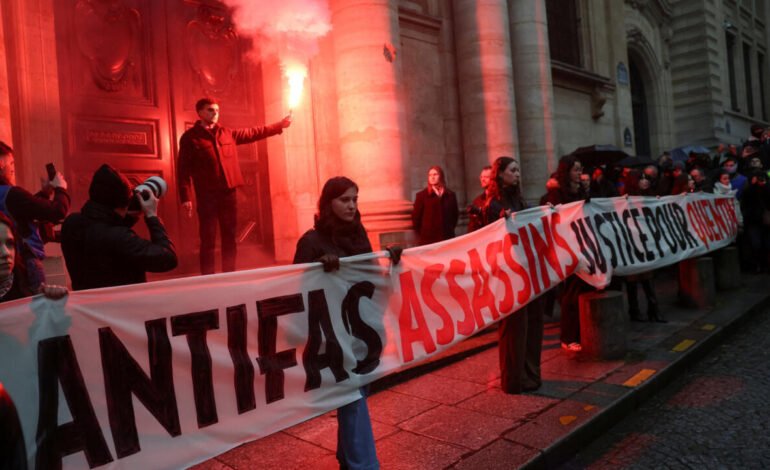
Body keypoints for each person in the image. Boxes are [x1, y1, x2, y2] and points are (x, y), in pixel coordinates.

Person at [293, 177, 379, 470]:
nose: (352, 205)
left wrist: (392, 260)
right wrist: (319, 270)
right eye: (345, 200)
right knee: (352, 397)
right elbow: (294, 289)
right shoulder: (311, 241)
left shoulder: (359, 235)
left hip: (362, 333)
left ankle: (348, 456)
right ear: (328, 202)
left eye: (355, 199)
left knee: (356, 397)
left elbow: (374, 276)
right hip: (331, 337)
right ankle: (363, 465)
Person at [177, 97, 291, 274]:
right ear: (199, 112)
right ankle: (207, 278)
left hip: (228, 194)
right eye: (210, 110)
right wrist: (185, 197)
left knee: (229, 237)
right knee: (207, 239)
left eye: (216, 110)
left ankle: (229, 274)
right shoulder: (189, 138)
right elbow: (183, 170)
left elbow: (253, 133)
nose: (215, 113)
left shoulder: (226, 133)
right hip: (207, 196)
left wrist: (278, 126)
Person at [61, 164, 178, 290]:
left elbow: (103, 233)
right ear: (122, 204)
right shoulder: (119, 238)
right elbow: (168, 259)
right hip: (123, 306)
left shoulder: (71, 223)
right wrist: (152, 216)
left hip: (86, 304)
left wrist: (129, 215)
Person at [483, 156, 543, 393]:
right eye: (513, 170)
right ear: (501, 174)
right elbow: (490, 236)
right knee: (514, 329)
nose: (517, 174)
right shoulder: (493, 204)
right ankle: (513, 379)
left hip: (526, 269)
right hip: (508, 273)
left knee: (531, 326)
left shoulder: (519, 200)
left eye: (518, 170)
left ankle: (530, 374)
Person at [0, 141, 70, 291]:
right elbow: (57, 211)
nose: (13, 167)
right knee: (35, 306)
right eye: (11, 162)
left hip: (8, 268)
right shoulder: (12, 194)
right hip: (24, 263)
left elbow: (19, 210)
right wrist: (61, 189)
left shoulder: (8, 196)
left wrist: (44, 193)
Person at [542, 155, 590, 353]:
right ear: (566, 172)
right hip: (566, 249)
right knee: (570, 294)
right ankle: (568, 336)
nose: (580, 174)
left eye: (580, 169)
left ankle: (581, 333)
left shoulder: (579, 191)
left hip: (582, 246)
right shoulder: (557, 194)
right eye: (576, 170)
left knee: (582, 290)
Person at [412, 165, 459, 245]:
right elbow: (416, 219)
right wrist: (425, 233)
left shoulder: (450, 195)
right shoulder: (422, 196)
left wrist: (448, 229)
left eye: (435, 174)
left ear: (441, 176)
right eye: (430, 175)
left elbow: (455, 216)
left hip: (447, 238)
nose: (432, 177)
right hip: (429, 240)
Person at [466, 165, 492, 232]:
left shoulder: (500, 198)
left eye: (486, 177)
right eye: (481, 177)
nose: (482, 179)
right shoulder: (477, 201)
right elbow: (472, 226)